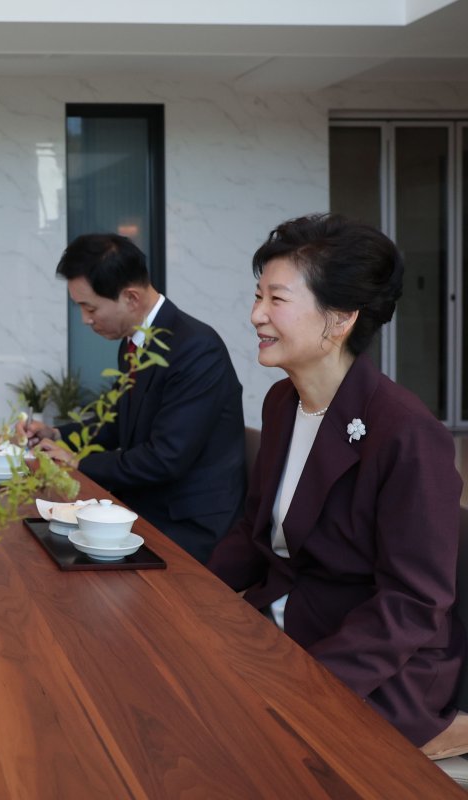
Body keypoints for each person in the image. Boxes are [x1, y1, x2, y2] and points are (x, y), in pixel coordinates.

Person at [207, 213, 468, 756]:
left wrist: (312, 684)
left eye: (276, 300)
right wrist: (187, 593)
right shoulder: (283, 401)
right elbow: (256, 533)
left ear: (340, 320)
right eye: (258, 296)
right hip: (286, 630)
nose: (255, 315)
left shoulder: (407, 433)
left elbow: (413, 602)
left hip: (372, 667)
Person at [22, 233, 246, 562]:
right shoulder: (133, 344)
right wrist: (59, 434)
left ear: (130, 298)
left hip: (187, 523)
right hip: (143, 505)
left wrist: (77, 462)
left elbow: (165, 457)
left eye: (90, 307)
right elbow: (116, 422)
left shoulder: (196, 348)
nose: (85, 320)